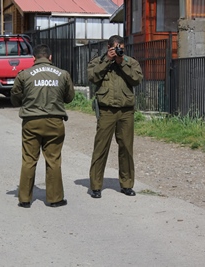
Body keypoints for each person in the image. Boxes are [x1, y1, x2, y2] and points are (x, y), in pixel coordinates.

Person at [10, 44, 75, 208]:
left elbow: (15, 97)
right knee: (53, 159)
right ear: (50, 57)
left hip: (31, 122)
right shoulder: (63, 74)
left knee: (29, 160)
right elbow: (69, 98)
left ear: (34, 58)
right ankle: (54, 199)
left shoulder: (24, 75)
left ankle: (24, 199)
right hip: (55, 122)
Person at [88, 35, 143, 198]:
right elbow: (93, 77)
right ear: (109, 47)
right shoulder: (98, 61)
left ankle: (126, 184)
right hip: (106, 111)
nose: (119, 50)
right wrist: (107, 60)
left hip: (126, 111)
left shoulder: (130, 62)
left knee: (126, 147)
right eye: (115, 48)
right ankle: (96, 186)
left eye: (121, 48)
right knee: (101, 148)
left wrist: (122, 63)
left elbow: (137, 79)